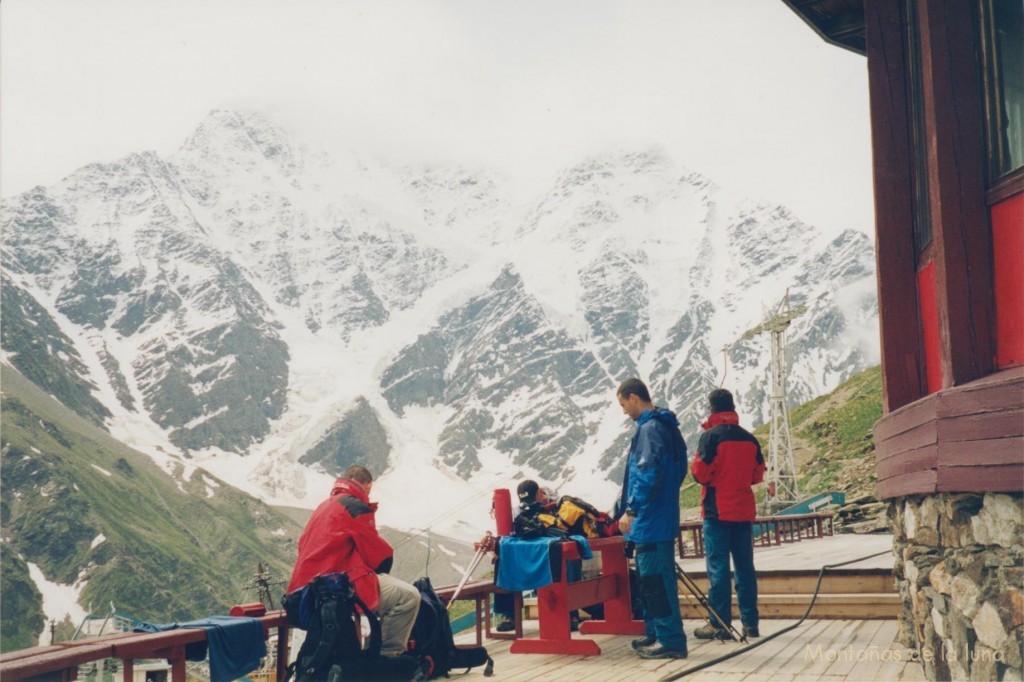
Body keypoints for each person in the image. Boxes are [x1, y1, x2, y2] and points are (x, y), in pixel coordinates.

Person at [285, 465, 421, 657]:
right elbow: (378, 556)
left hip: (306, 591)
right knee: (408, 596)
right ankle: (385, 661)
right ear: (368, 485)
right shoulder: (354, 506)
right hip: (335, 586)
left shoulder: (324, 506)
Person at [615, 377, 689, 660]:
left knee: (656, 581)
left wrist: (631, 509)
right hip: (662, 515)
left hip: (650, 521)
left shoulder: (649, 430)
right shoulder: (668, 427)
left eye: (623, 404)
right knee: (652, 581)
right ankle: (656, 631)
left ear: (635, 398)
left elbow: (646, 473)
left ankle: (670, 640)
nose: (624, 411)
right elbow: (679, 469)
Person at [690, 388, 765, 640]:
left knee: (718, 570)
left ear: (712, 410)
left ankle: (719, 624)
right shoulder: (749, 439)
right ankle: (750, 624)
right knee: (745, 569)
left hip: (717, 513)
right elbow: (757, 474)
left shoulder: (710, 437)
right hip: (743, 513)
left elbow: (700, 473)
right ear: (732, 409)